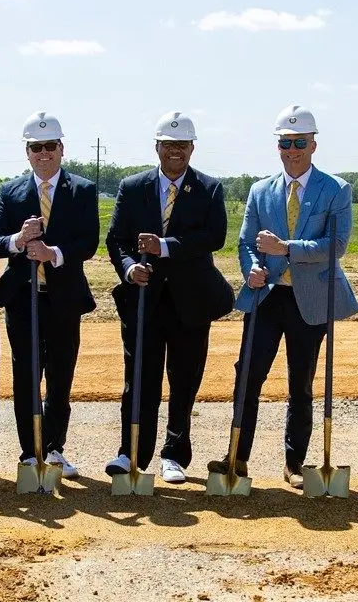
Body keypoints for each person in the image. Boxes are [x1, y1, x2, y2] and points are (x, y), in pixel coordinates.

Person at [208, 104, 358, 490]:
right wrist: (251, 269)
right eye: (284, 143)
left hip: (310, 300)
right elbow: (246, 242)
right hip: (266, 298)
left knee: (301, 384)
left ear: (313, 145)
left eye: (299, 142)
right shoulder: (261, 190)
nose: (292, 150)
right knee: (247, 376)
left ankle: (294, 463)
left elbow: (336, 245)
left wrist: (286, 248)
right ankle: (237, 457)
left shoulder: (336, 189)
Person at [103, 112, 235, 484]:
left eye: (182, 145)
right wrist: (129, 268)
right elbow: (116, 240)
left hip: (190, 303)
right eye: (168, 145)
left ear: (192, 148)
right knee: (139, 379)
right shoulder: (133, 187)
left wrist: (164, 247)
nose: (175, 152)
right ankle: (131, 452)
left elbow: (214, 237)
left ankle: (174, 455)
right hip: (143, 300)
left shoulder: (209, 188)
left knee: (184, 381)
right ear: (157, 148)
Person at [0, 112, 101, 479]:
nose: (43, 153)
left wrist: (53, 254)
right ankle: (28, 451)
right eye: (36, 148)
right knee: (26, 375)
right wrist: (19, 242)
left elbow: (88, 241)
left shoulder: (82, 190)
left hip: (64, 299)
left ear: (61, 149)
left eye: (50, 146)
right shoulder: (10, 191)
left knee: (60, 376)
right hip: (24, 299)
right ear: (27, 152)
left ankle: (53, 448)